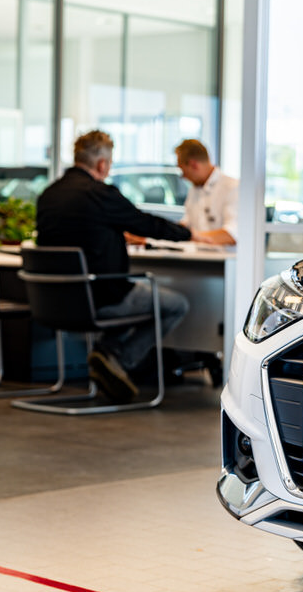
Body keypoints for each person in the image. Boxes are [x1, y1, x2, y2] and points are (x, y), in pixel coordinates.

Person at [36, 130, 204, 402]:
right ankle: (118, 357)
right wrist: (188, 234)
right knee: (175, 304)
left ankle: (107, 353)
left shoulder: (48, 195)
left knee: (130, 295)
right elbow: (145, 223)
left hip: (56, 301)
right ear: (102, 164)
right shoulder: (99, 194)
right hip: (100, 298)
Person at [174, 139, 238, 245]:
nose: (183, 177)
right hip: (195, 253)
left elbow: (232, 234)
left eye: (183, 171)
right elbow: (187, 223)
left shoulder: (232, 187)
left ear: (194, 165)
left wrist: (190, 236)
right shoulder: (194, 189)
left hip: (222, 255)